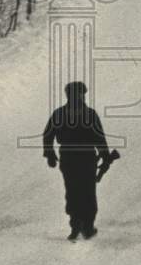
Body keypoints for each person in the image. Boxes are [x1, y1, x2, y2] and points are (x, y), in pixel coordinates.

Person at [43, 81, 111, 240]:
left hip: (68, 157)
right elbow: (99, 138)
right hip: (86, 157)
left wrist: (50, 154)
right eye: (81, 94)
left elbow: (48, 135)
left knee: (72, 191)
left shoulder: (59, 113)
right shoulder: (90, 114)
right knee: (87, 191)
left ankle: (76, 226)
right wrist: (106, 156)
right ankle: (87, 227)